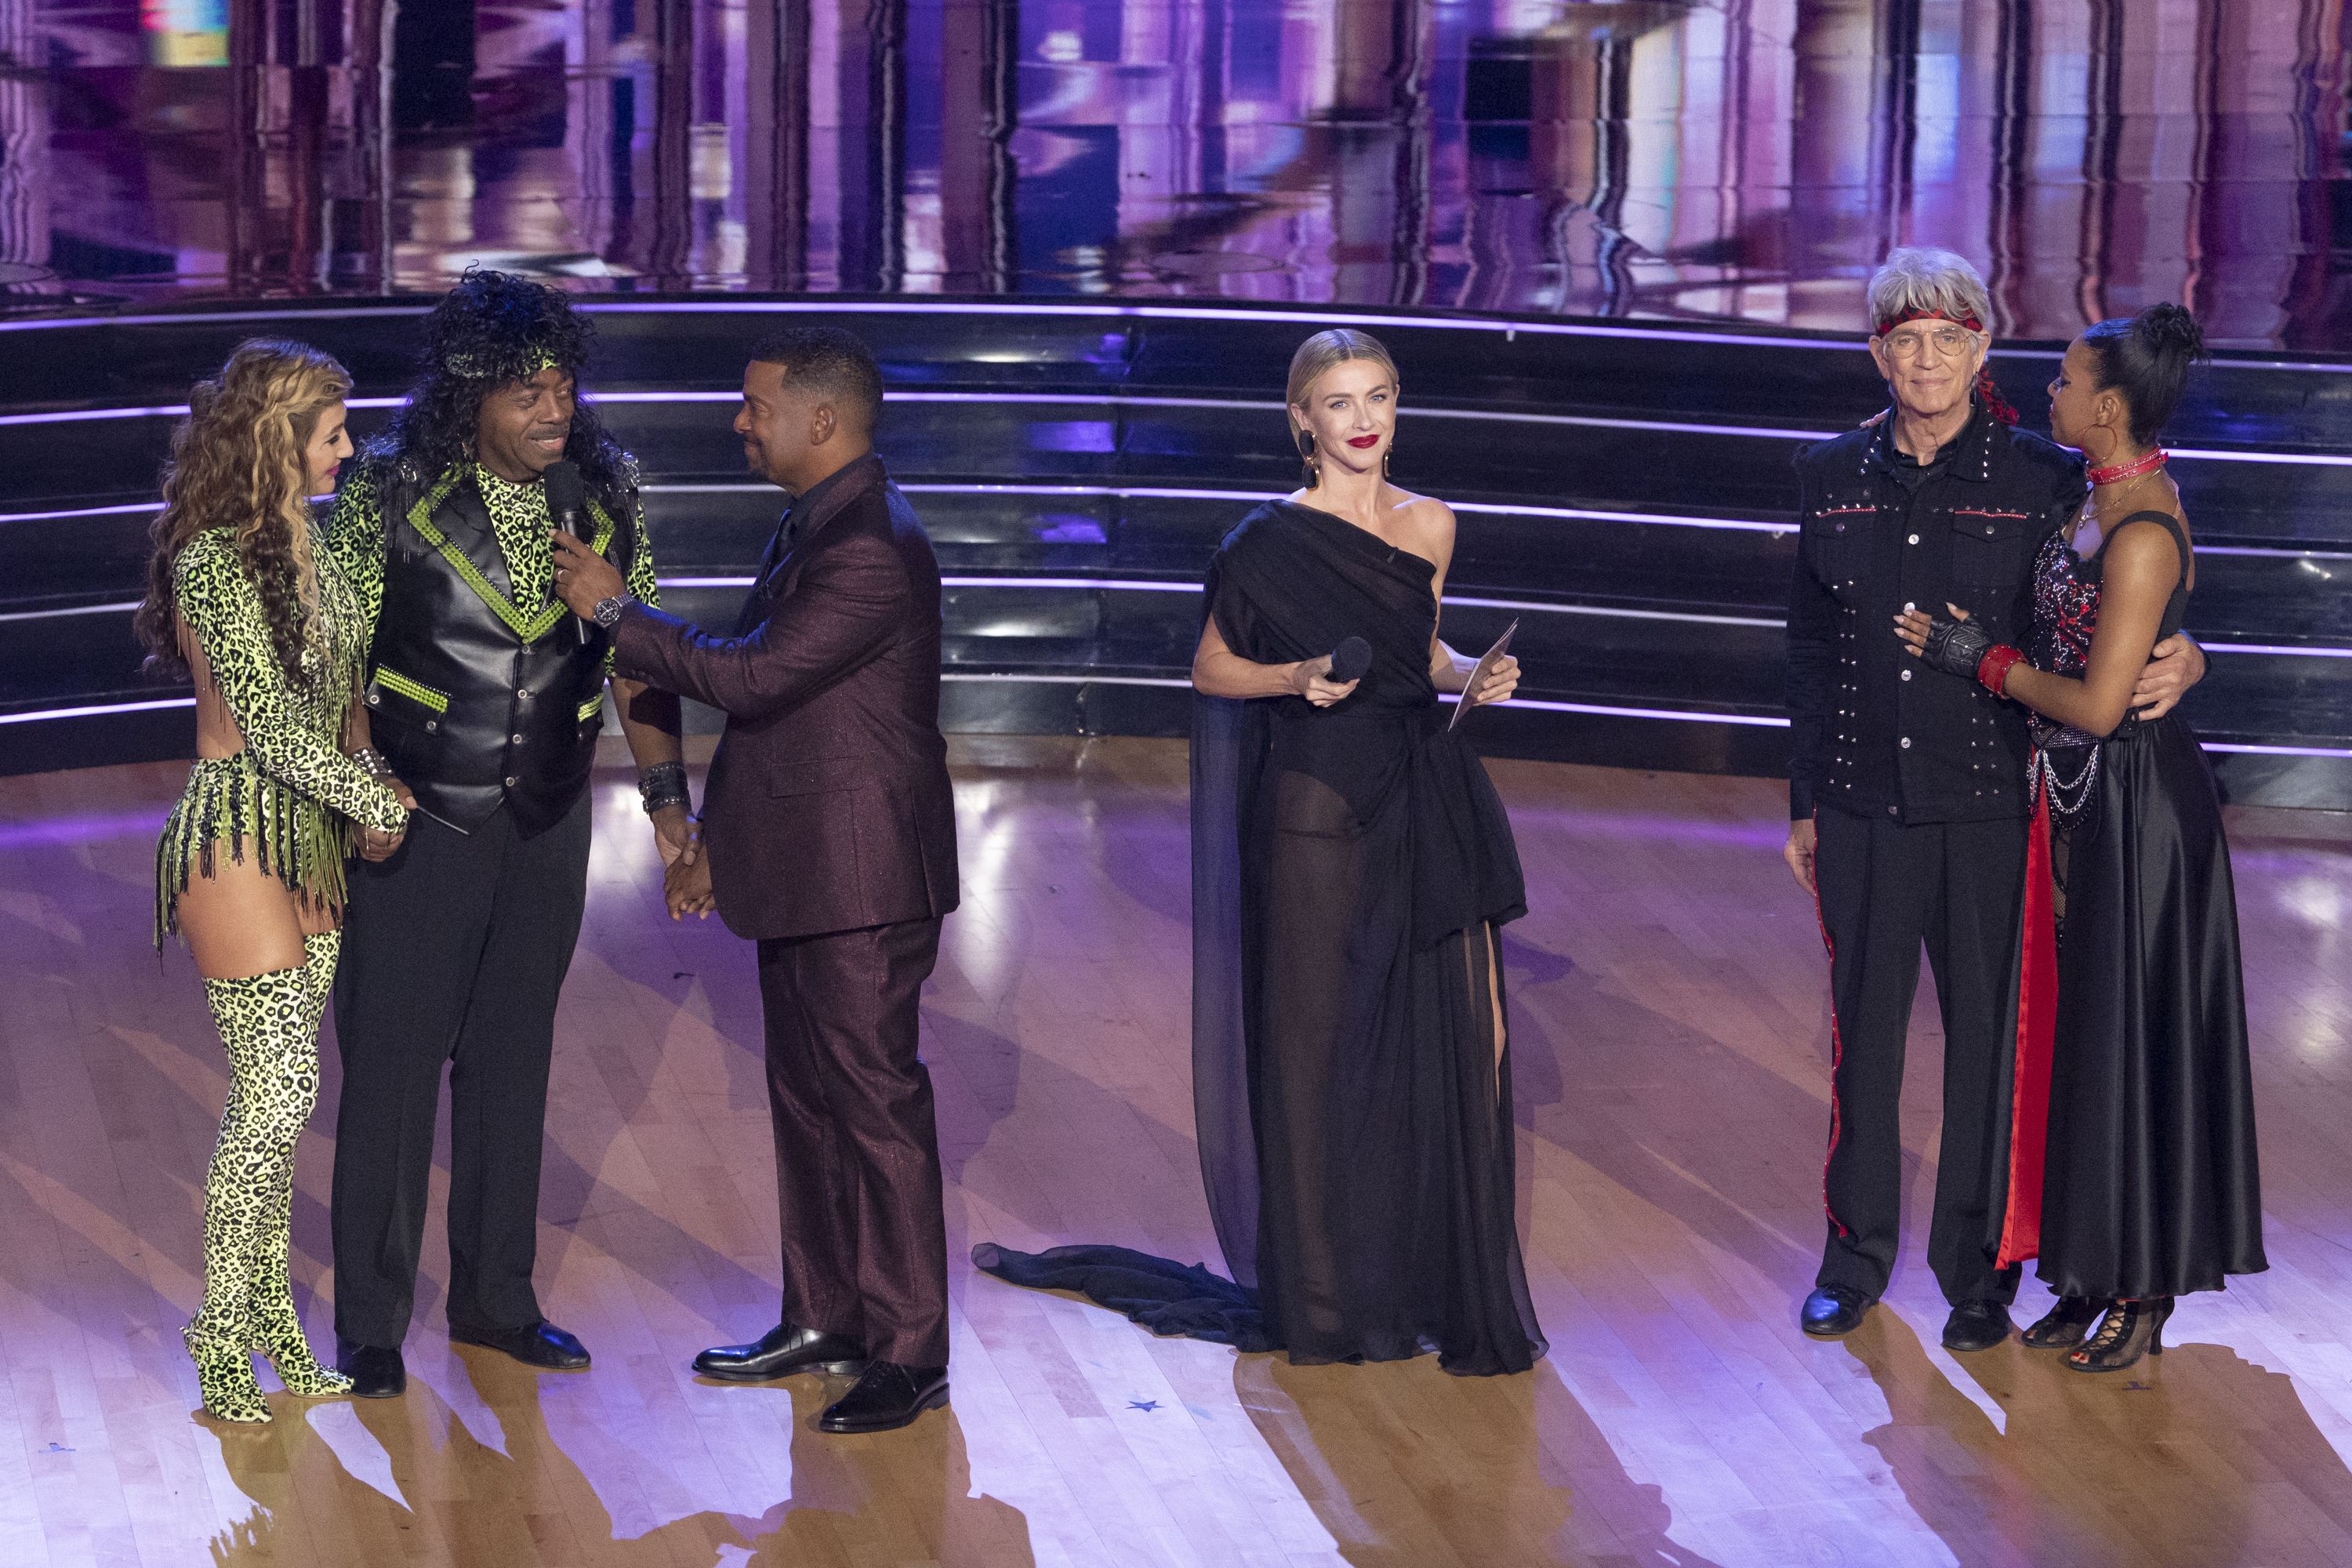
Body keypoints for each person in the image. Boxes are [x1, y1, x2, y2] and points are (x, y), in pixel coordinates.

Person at [1784, 247, 2209, 1353]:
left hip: (1992, 809)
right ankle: (1852, 1259)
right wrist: (1803, 804)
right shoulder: (1827, 474)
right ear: (1877, 352)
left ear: (1981, 350)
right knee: (1861, 1043)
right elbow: (1811, 651)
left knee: (1990, 1044)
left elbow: (2123, 572)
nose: (1926, 360)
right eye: (1904, 340)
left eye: (1949, 339)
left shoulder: (2042, 475)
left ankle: (1980, 1276)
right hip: (1862, 803)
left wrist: (2186, 649)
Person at [550, 327, 960, 1434]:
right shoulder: (817, 520)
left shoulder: (871, 545)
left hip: (863, 880)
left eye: (755, 407)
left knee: (873, 1106)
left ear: (819, 421)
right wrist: (703, 833)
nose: (741, 422)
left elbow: (755, 677)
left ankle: (911, 1350)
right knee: (809, 1100)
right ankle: (826, 1315)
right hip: (808, 866)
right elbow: (775, 698)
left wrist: (609, 610)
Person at [322, 270, 688, 1397]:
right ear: (472, 389)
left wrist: (670, 806)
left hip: (547, 818)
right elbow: (335, 660)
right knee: (388, 1072)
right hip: (418, 821)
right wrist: (362, 783)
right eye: (530, 389)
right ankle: (373, 1323)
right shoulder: (384, 493)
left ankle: (496, 1299)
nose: (555, 408)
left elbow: (639, 664)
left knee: (511, 1063)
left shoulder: (610, 494)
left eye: (565, 385)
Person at [1896, 303, 2265, 1372]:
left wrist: (1983, 662)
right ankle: (2088, 1267)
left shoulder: (2144, 526)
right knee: (2077, 1041)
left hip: (2136, 811)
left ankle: (2143, 1289)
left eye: (2063, 381)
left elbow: (2102, 707)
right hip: (2072, 797)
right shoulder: (2095, 496)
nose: (2046, 392)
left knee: (2130, 1037)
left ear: (2107, 407)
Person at [135, 339, 413, 1423]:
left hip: (316, 839)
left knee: (287, 1106)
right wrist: (374, 802)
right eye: (334, 433)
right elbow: (268, 725)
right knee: (280, 1090)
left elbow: (345, 710)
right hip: (238, 830)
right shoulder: (210, 561)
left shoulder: (335, 548)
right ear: (278, 440)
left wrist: (370, 779)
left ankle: (274, 1323)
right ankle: (218, 1333)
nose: (350, 448)